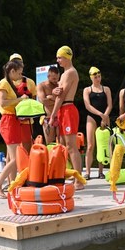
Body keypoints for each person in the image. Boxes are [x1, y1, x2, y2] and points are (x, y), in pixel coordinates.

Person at [0, 59, 33, 198]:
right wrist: (20, 99)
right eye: (19, 73)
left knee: (14, 158)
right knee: (16, 158)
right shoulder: (3, 83)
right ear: (12, 71)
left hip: (14, 120)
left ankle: (12, 185)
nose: (21, 76)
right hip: (8, 121)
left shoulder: (10, 84)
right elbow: (2, 103)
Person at [49, 45, 84, 190]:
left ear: (67, 57)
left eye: (60, 57)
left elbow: (62, 96)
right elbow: (58, 93)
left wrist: (52, 116)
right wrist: (55, 91)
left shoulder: (70, 73)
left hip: (68, 109)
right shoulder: (64, 74)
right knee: (63, 145)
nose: (58, 60)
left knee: (71, 146)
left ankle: (79, 180)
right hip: (63, 110)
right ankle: (70, 176)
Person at [82, 66, 112, 179]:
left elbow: (109, 104)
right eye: (95, 77)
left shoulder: (106, 89)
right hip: (93, 117)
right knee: (90, 145)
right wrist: (100, 114)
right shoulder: (87, 90)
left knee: (103, 144)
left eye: (99, 76)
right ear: (91, 78)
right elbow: (87, 106)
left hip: (105, 116)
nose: (98, 79)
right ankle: (88, 172)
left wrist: (105, 116)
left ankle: (101, 171)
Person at [9, 53, 37, 151]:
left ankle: (27, 165)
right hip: (12, 119)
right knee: (11, 148)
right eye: (14, 61)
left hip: (26, 120)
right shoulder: (6, 83)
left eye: (19, 62)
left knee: (27, 145)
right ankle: (12, 165)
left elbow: (34, 100)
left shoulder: (30, 82)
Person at [36, 66, 60, 144]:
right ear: (48, 76)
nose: (56, 81)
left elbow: (63, 101)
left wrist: (51, 97)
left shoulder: (59, 85)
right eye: (53, 79)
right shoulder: (41, 86)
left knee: (62, 144)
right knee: (50, 144)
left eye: (57, 78)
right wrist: (56, 100)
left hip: (60, 117)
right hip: (48, 118)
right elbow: (43, 101)